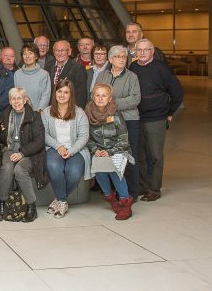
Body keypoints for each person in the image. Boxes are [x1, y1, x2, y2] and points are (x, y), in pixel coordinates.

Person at [129, 38, 184, 201]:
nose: (142, 53)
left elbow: (177, 92)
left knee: (154, 155)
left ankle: (154, 189)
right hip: (137, 118)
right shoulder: (133, 67)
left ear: (152, 51)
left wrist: (170, 112)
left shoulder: (162, 68)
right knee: (139, 154)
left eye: (146, 50)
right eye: (139, 50)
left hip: (156, 119)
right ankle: (143, 186)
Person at [96, 45, 141, 199]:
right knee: (111, 157)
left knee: (129, 156)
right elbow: (94, 94)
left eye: (124, 57)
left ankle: (132, 193)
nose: (122, 59)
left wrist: (112, 104)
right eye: (118, 57)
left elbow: (135, 98)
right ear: (110, 59)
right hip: (107, 122)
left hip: (129, 121)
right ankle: (115, 192)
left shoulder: (131, 76)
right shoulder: (103, 75)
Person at [0, 87, 46, 223]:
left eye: (19, 98)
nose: (16, 101)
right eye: (13, 98)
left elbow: (39, 141)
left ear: (25, 100)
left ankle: (31, 207)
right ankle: (1, 203)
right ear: (10, 101)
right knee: (7, 167)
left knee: (19, 170)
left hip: (30, 153)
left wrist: (22, 153)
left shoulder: (34, 116)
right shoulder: (5, 115)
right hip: (9, 149)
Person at [41, 79, 91, 218]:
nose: (62, 95)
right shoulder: (46, 112)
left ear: (71, 95)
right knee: (54, 167)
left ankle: (58, 200)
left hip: (76, 149)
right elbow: (43, 134)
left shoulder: (79, 113)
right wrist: (59, 146)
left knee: (74, 171)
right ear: (55, 93)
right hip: (53, 148)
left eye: (66, 92)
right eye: (59, 91)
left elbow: (84, 136)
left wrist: (72, 151)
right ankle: (63, 201)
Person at [86, 83, 134, 220]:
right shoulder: (88, 115)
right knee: (99, 169)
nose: (100, 98)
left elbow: (124, 139)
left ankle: (125, 202)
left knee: (113, 169)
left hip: (118, 149)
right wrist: (95, 150)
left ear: (110, 98)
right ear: (93, 97)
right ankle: (111, 198)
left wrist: (111, 152)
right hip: (99, 150)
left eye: (104, 95)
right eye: (97, 95)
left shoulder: (116, 115)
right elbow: (87, 137)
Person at [44, 40, 88, 108]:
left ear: (69, 51)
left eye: (62, 50)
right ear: (53, 52)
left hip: (69, 109)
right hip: (50, 109)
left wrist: (74, 112)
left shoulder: (78, 68)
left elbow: (81, 94)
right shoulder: (48, 65)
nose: (59, 53)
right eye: (57, 50)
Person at [14, 43, 51, 111]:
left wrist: (39, 111)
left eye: (30, 53)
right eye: (24, 54)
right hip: (20, 112)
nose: (27, 56)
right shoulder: (17, 74)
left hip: (38, 114)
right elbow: (15, 94)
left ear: (36, 56)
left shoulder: (44, 74)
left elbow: (46, 96)